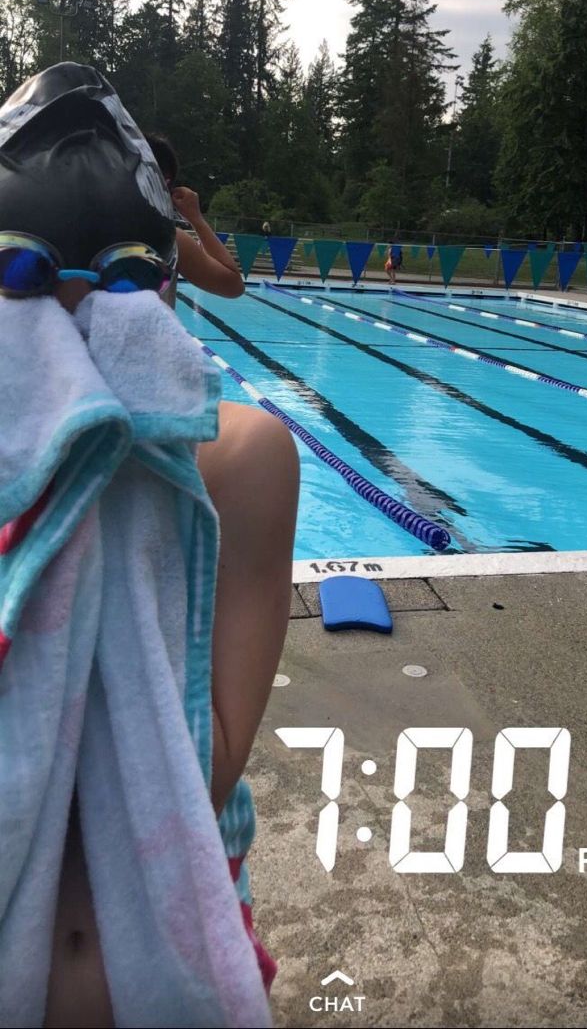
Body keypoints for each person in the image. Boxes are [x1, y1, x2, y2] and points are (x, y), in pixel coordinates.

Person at [0, 63, 299, 1027]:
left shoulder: (241, 461)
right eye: (27, 286)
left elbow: (191, 770)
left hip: (163, 974)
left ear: (158, 298)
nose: (83, 324)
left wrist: (107, 462)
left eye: (124, 287)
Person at [145, 133, 245, 299]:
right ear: (165, 183)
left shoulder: (88, 223)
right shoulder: (169, 239)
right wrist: (196, 219)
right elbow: (233, 285)